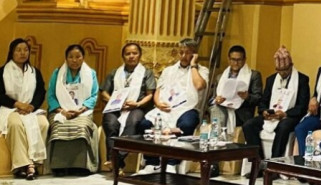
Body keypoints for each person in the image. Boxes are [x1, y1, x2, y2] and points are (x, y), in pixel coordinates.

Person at [138, 38, 209, 174]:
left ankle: (171, 162)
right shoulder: (168, 70)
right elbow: (158, 90)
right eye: (181, 52)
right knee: (144, 124)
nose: (183, 56)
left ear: (194, 54)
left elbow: (199, 85)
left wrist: (193, 66)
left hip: (188, 108)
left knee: (187, 124)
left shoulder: (202, 70)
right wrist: (158, 103)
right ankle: (151, 162)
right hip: (165, 108)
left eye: (187, 53)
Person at [242, 47, 310, 159]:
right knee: (248, 125)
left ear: (291, 66)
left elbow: (302, 106)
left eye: (285, 70)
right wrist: (264, 112)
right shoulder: (271, 80)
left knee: (283, 126)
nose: (282, 73)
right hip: (271, 115)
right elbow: (263, 101)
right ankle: (258, 161)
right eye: (279, 70)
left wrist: (285, 114)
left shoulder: (302, 80)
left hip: (290, 116)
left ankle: (274, 161)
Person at [100, 43, 155, 174]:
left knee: (133, 121)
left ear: (140, 55)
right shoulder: (114, 73)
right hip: (116, 107)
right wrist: (115, 101)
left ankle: (115, 159)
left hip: (137, 107)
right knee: (110, 123)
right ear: (123, 56)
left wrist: (137, 104)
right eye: (127, 54)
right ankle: (116, 162)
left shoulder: (147, 73)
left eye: (134, 53)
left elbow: (150, 94)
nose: (131, 56)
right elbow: (103, 93)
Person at [47, 44, 100, 176]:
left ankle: (80, 166)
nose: (74, 60)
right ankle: (59, 166)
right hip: (60, 111)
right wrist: (62, 111)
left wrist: (80, 110)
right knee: (59, 127)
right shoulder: (57, 73)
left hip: (82, 111)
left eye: (78, 56)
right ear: (66, 58)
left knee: (81, 127)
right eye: (71, 57)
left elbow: (94, 95)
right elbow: (51, 95)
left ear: (83, 58)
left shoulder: (91, 74)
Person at [0, 38, 48, 180]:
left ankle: (35, 161)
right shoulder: (2, 72)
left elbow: (40, 92)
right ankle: (23, 165)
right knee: (15, 124)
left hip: (30, 108)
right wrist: (17, 104)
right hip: (9, 108)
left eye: (26, 50)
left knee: (43, 123)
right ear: (12, 52)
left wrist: (31, 106)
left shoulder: (34, 72)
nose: (22, 53)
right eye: (19, 50)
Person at [209, 45, 262, 133]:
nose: (236, 63)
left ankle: (219, 137)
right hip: (223, 108)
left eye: (239, 60)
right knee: (216, 109)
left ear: (244, 60)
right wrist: (216, 100)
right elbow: (211, 100)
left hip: (241, 112)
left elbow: (258, 98)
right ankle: (217, 138)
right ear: (229, 59)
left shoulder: (253, 75)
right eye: (233, 59)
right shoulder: (220, 77)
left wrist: (247, 97)